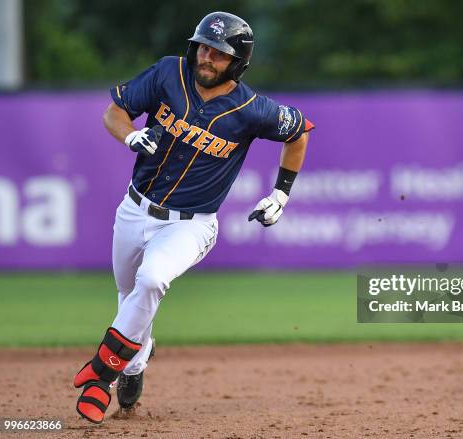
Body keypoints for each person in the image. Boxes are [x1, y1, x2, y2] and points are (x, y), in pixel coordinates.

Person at [72, 11, 314, 424]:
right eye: (203, 46)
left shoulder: (252, 108)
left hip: (191, 223)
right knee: (129, 297)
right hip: (133, 209)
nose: (206, 57)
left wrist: (281, 193)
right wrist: (130, 134)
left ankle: (103, 373)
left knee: (151, 281)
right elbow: (115, 112)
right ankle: (134, 362)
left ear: (237, 61)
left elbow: (299, 131)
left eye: (218, 53)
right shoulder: (168, 74)